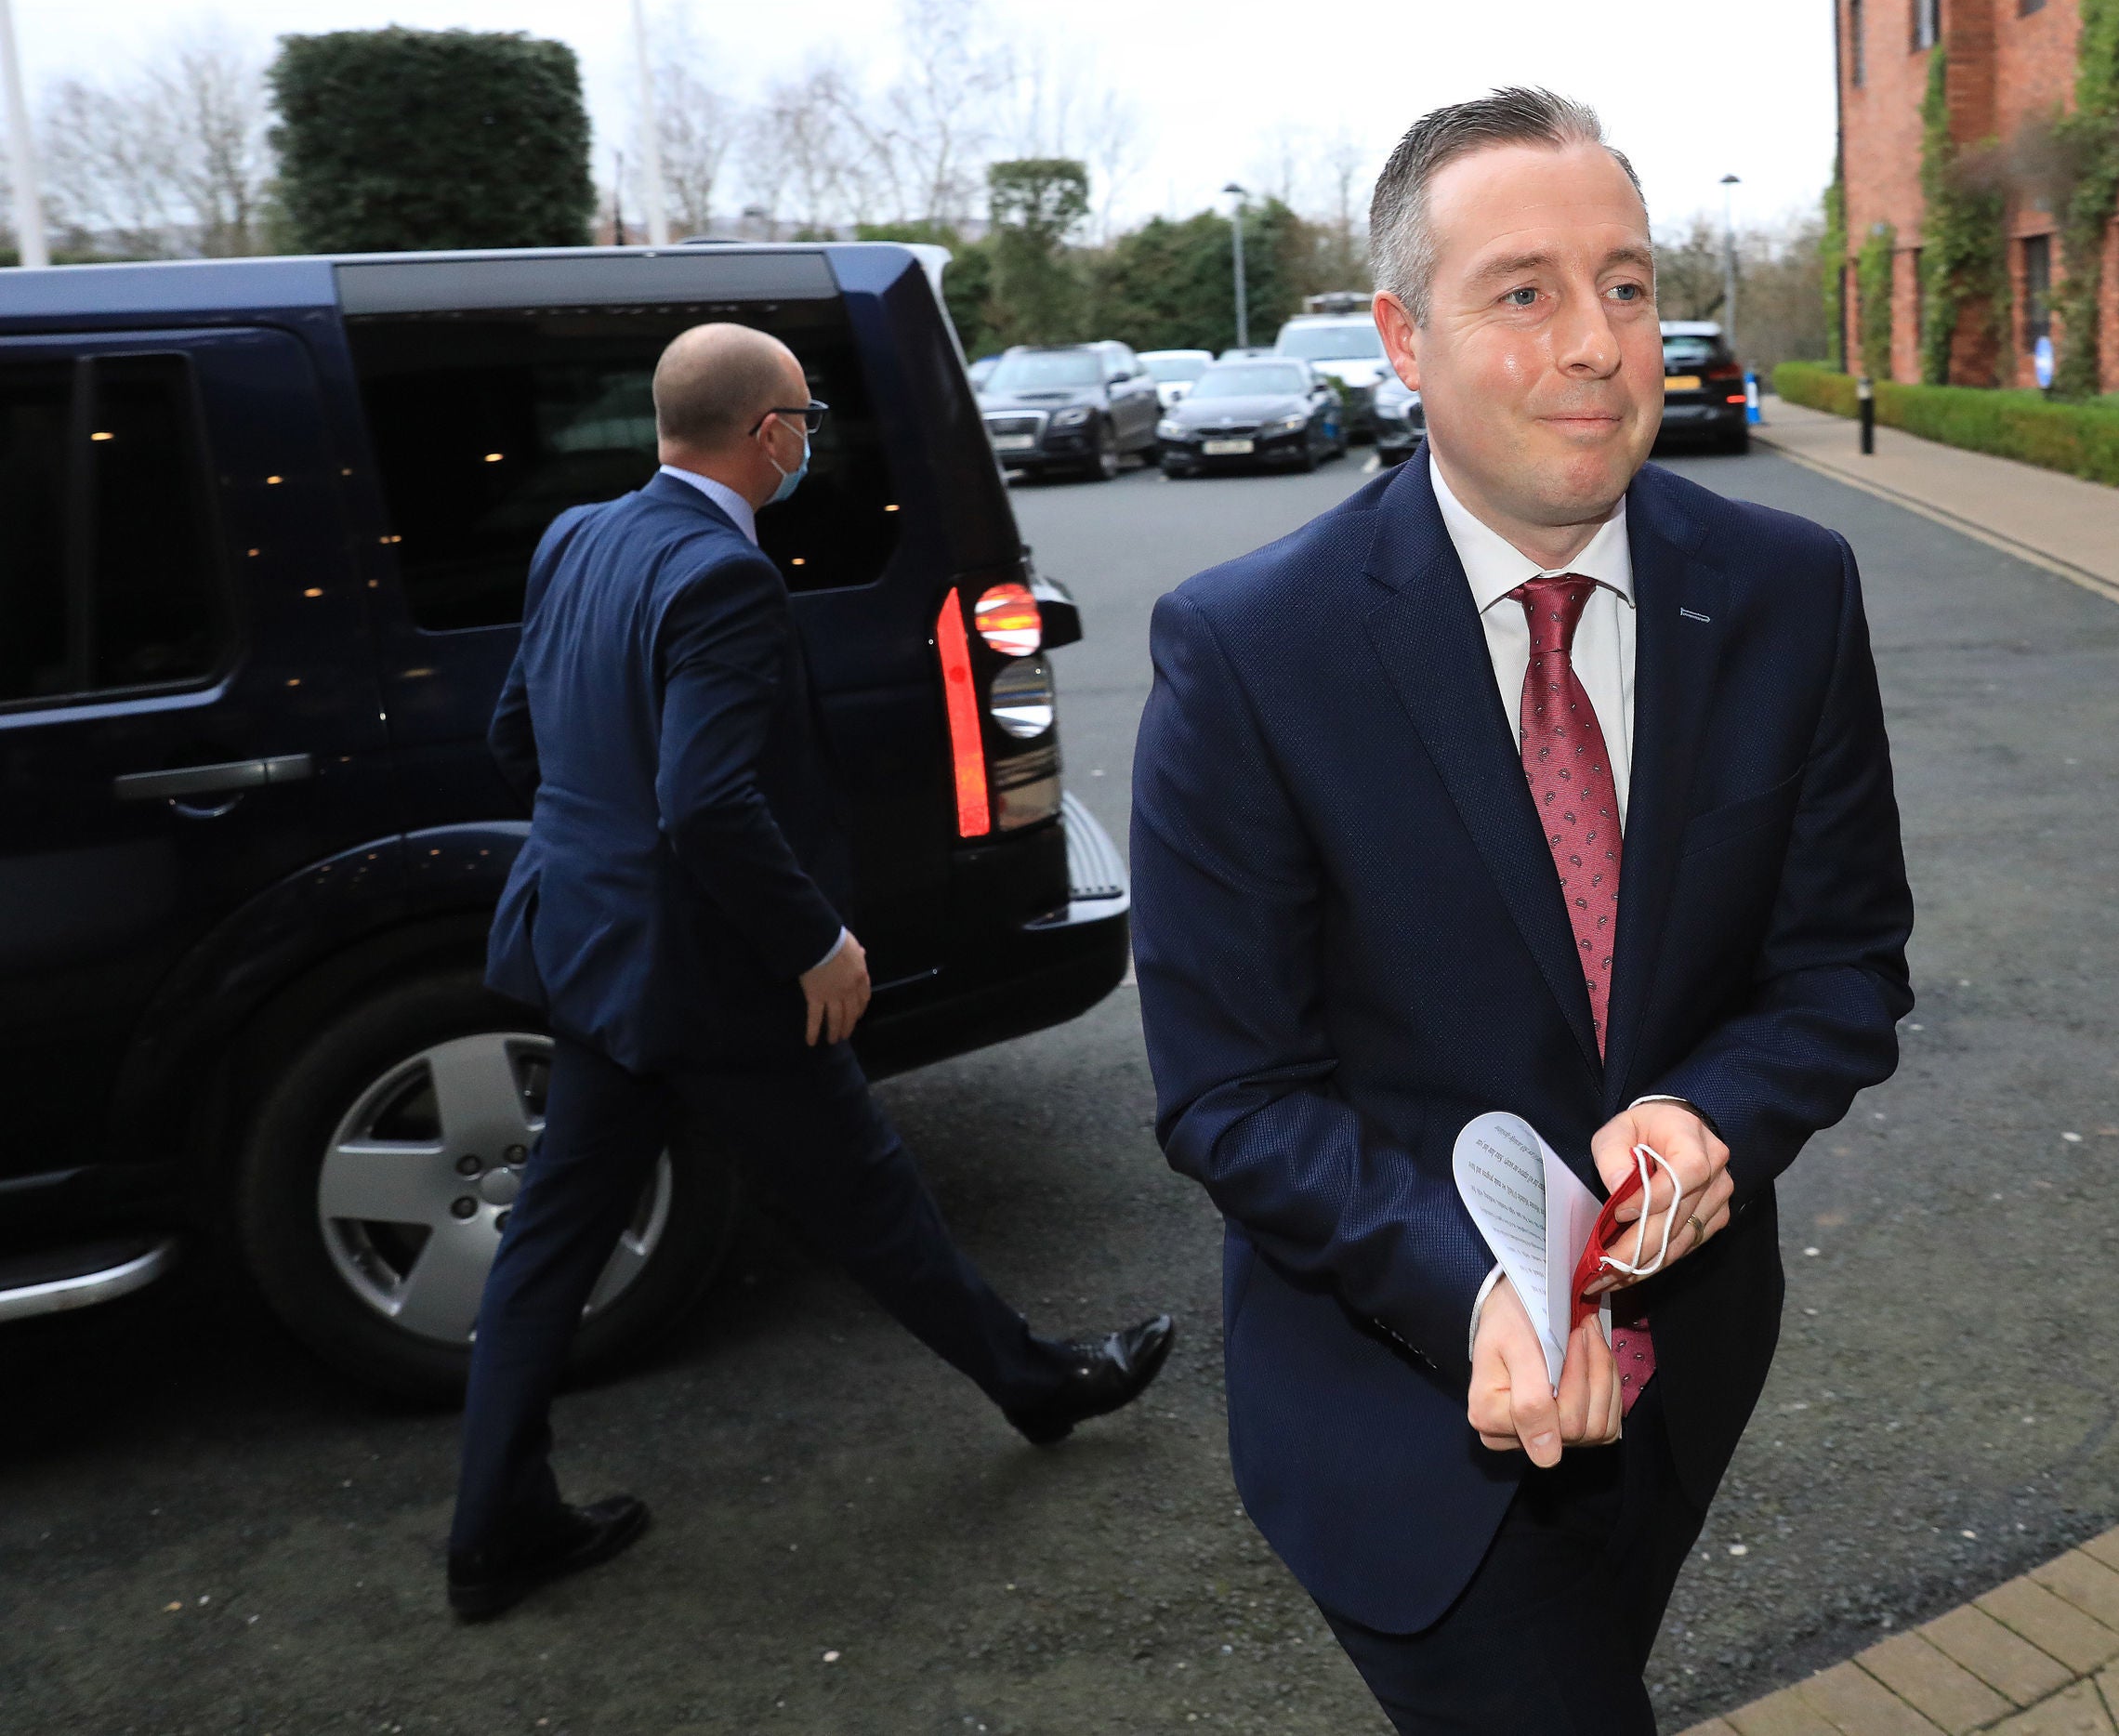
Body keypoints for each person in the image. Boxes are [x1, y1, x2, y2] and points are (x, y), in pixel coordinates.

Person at [1135, 89, 1913, 1732]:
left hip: (1684, 1365)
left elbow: (1841, 969)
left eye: (1626, 285)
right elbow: (1233, 1092)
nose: (1598, 344)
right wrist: (1473, 1287)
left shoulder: (1788, 590)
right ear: (1404, 339)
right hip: (1399, 1396)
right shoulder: (1250, 650)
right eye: (1526, 291)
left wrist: (1710, 1120)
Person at [448, 322, 1176, 1623]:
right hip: (712, 970)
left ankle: (493, 1522)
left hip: (590, 945)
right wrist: (814, 942)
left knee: (550, 1240)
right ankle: (1041, 1384)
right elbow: (709, 798)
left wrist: (607, 865)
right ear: (767, 432)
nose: (810, 439)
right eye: (806, 418)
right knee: (870, 1197)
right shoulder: (722, 574)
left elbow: (521, 735)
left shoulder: (577, 537)